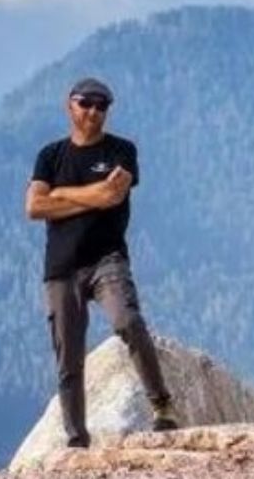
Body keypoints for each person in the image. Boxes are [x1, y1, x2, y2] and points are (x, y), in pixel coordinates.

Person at [25, 77, 178, 448]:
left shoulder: (122, 151)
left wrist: (60, 194)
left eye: (101, 105)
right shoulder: (50, 155)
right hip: (60, 268)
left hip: (106, 260)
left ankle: (162, 406)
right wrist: (90, 195)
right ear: (69, 105)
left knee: (129, 321)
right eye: (85, 103)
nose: (93, 111)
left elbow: (113, 195)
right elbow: (34, 207)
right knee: (68, 358)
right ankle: (77, 440)